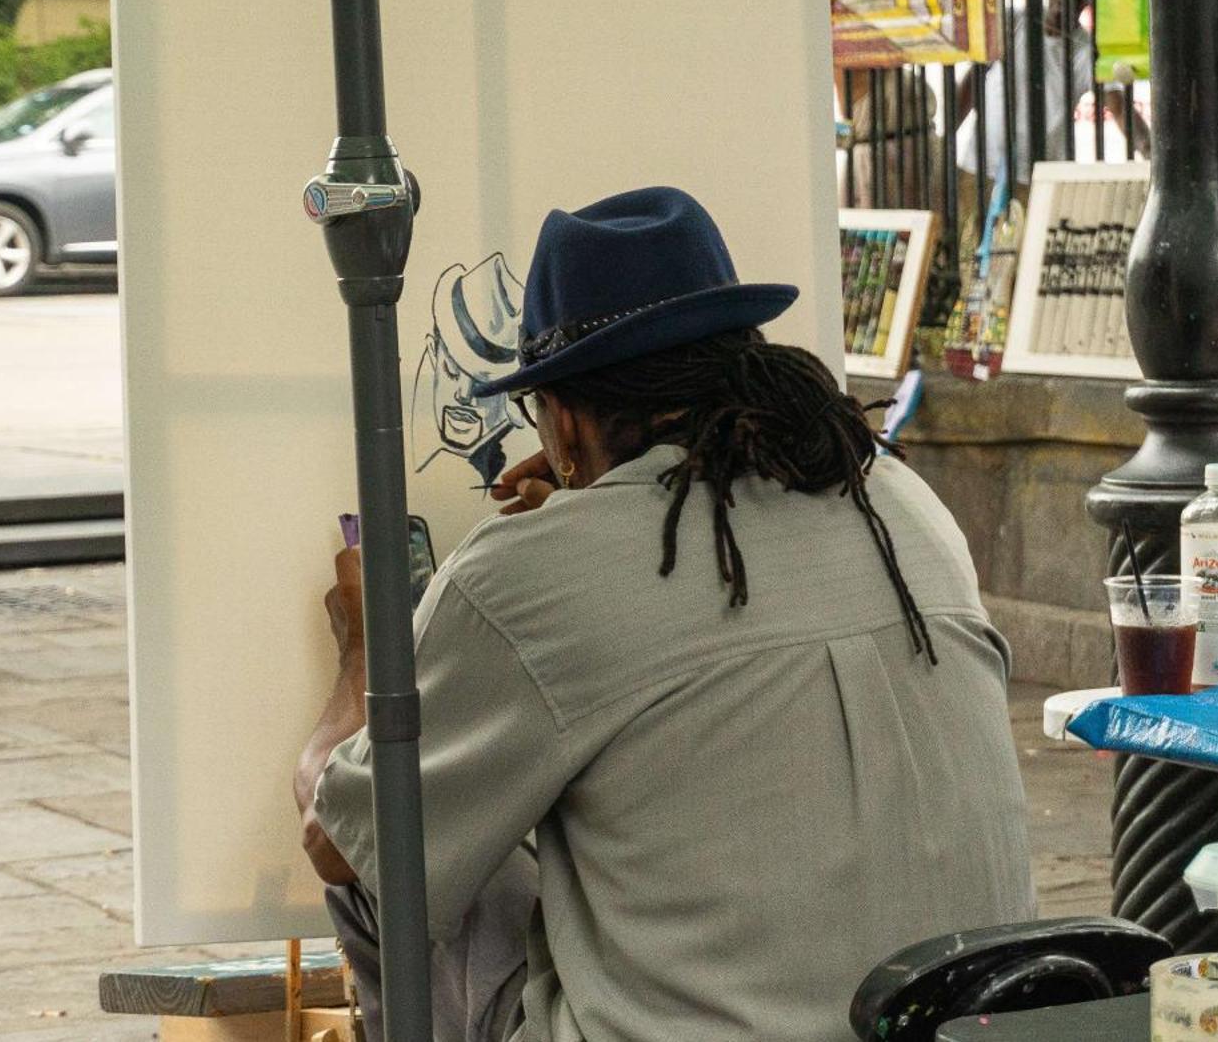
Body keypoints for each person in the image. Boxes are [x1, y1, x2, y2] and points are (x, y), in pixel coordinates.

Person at [295, 186, 1034, 1042]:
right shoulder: (903, 500)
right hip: (960, 1020)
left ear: (562, 423)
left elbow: (338, 842)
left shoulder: (529, 576)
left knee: (398, 847)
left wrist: (365, 655)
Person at [954, 0, 1149, 203]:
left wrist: (1149, 150)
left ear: (1087, 2)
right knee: (967, 236)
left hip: (1037, 176)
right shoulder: (1016, 22)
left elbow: (1119, 107)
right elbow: (974, 80)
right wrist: (949, 132)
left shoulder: (1085, 51)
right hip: (980, 164)